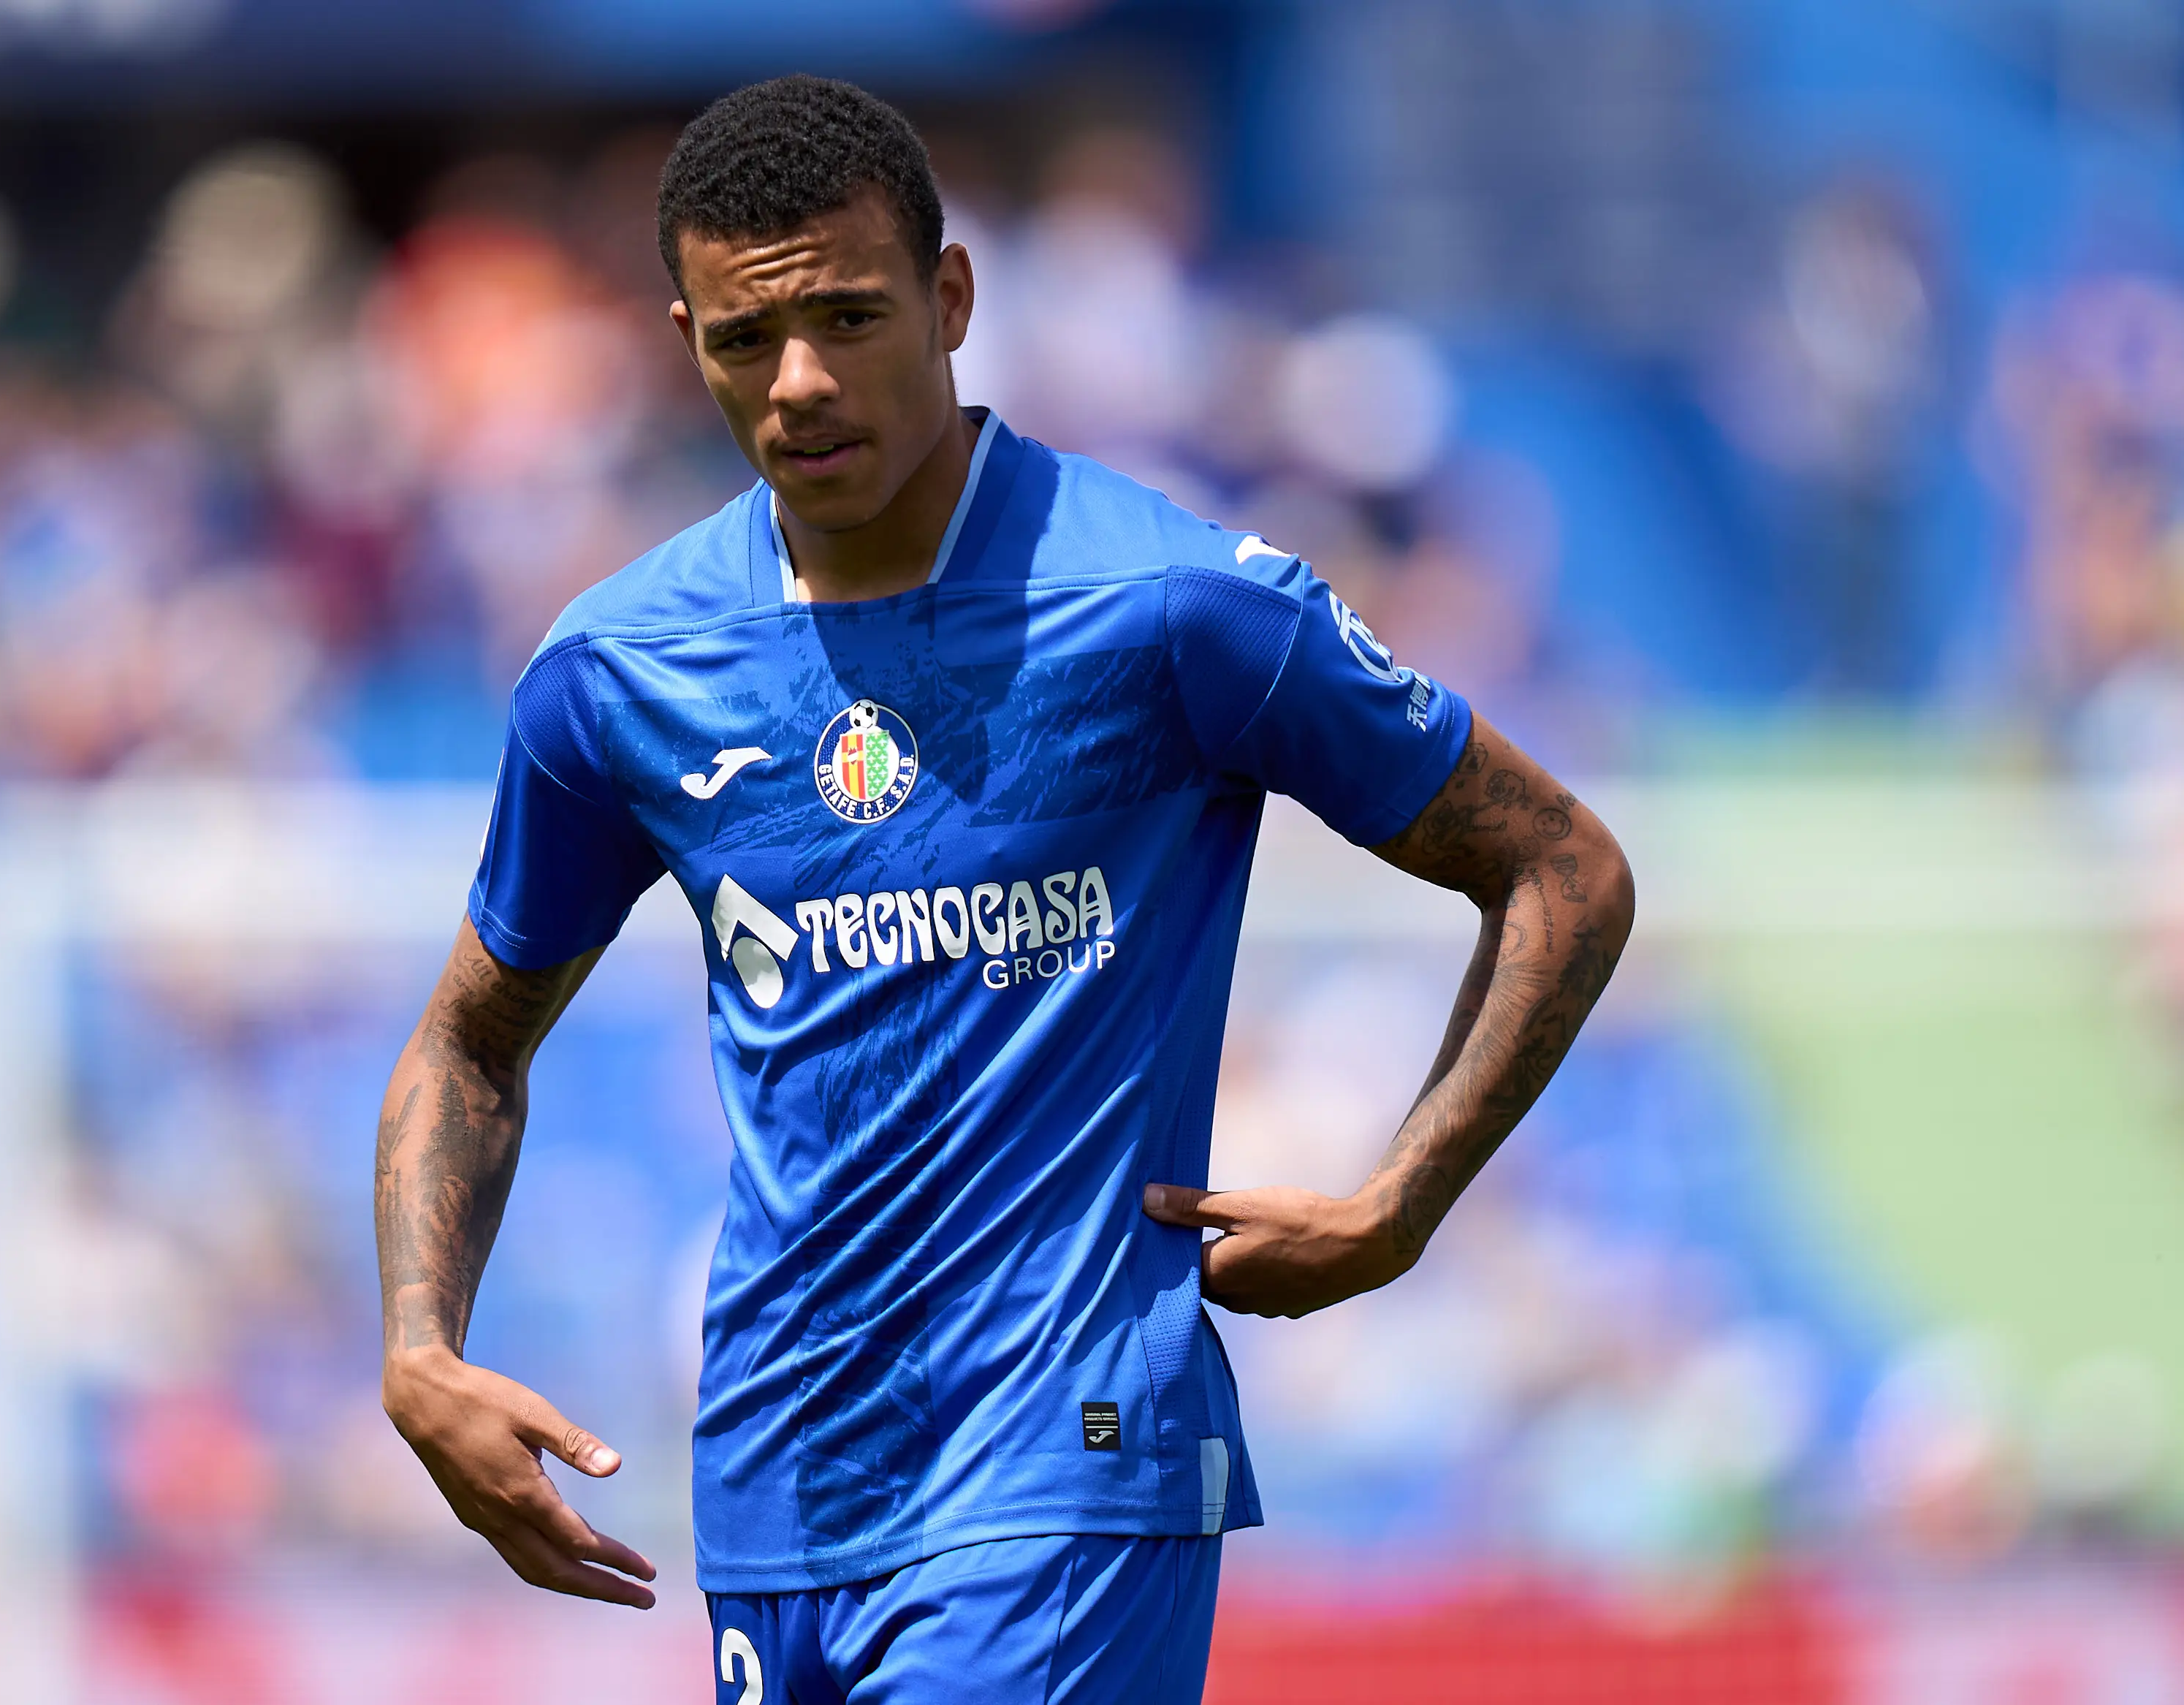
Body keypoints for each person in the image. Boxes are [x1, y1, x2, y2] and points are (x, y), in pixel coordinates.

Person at [374, 75, 1634, 1704]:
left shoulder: (1169, 608)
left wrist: (1403, 1197)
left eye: (849, 316)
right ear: (680, 336)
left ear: (952, 298)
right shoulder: (621, 669)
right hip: (779, 1478)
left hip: (1068, 1456)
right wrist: (420, 1347)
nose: (800, 381)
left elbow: (1560, 867)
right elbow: (470, 1041)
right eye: (742, 340)